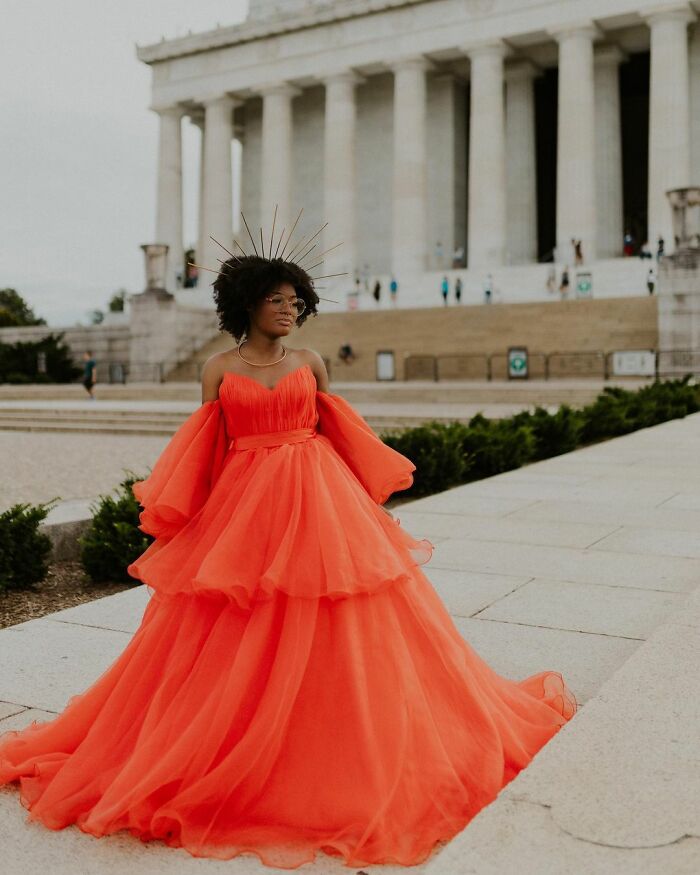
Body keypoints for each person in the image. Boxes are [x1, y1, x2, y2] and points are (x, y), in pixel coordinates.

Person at [0, 243, 577, 869]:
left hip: (319, 497)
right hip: (246, 504)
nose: (287, 310)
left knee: (340, 617)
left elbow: (340, 431)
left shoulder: (310, 360)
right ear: (248, 303)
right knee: (240, 624)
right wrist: (198, 526)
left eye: (294, 301)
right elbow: (205, 449)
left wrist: (364, 507)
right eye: (276, 300)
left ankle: (332, 739)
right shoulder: (219, 369)